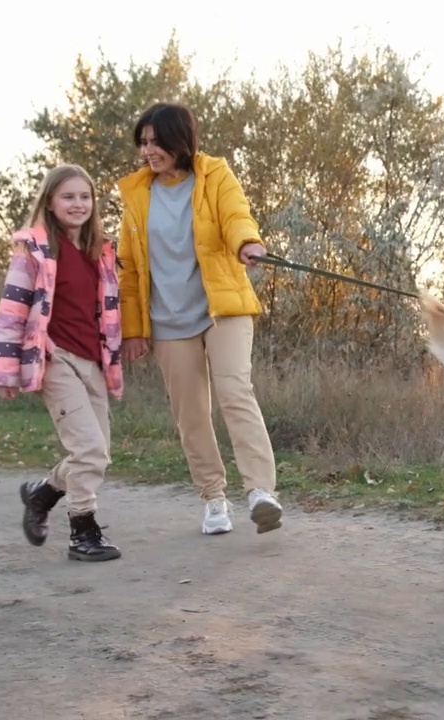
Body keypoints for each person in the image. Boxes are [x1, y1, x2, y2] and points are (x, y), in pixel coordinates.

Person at [115, 102, 283, 536]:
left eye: (157, 142)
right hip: (168, 320)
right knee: (190, 413)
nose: (148, 151)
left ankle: (261, 492)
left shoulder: (214, 175)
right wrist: (133, 329)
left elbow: (235, 216)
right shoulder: (136, 195)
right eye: (144, 142)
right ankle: (213, 499)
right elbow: (129, 270)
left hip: (221, 308)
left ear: (179, 141)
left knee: (234, 391)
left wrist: (248, 243)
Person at [0, 164, 124, 562]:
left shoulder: (100, 251)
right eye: (68, 196)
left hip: (93, 361)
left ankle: (41, 493)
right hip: (54, 359)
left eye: (85, 197)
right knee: (89, 451)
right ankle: (82, 531)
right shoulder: (34, 249)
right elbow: (11, 311)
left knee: (96, 453)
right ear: (50, 201)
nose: (78, 204)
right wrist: (6, 370)